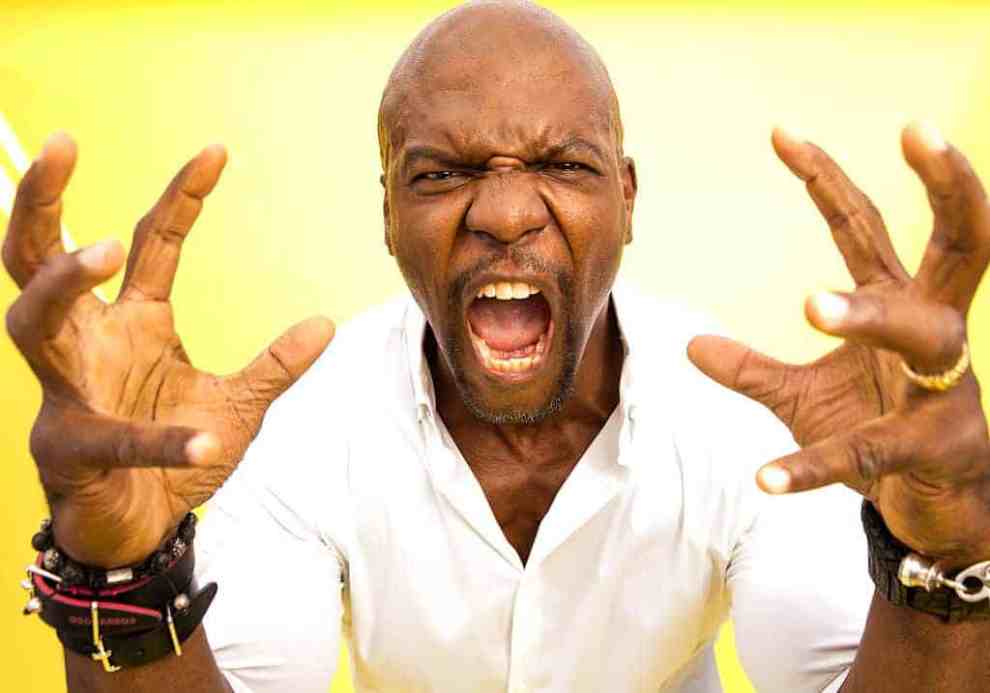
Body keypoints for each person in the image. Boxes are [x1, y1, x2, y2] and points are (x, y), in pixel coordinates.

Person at [6, 1, 990, 691]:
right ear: (389, 213)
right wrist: (125, 574)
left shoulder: (751, 430)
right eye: (442, 174)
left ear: (628, 199)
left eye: (563, 164)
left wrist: (941, 551)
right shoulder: (294, 431)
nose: (509, 212)